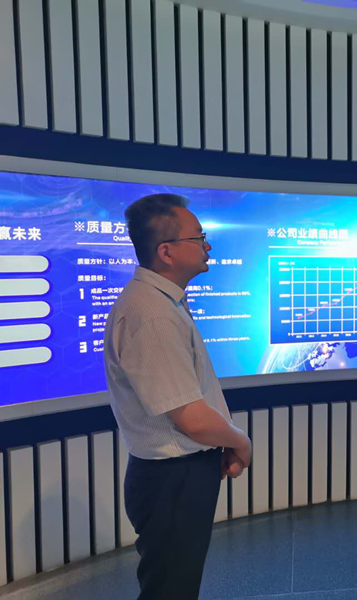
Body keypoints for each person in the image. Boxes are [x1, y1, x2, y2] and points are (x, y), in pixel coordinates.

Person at [104, 193, 252, 600]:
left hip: (179, 475)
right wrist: (241, 441)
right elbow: (190, 417)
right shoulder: (151, 313)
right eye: (198, 238)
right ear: (166, 252)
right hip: (172, 480)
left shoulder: (160, 303)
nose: (208, 245)